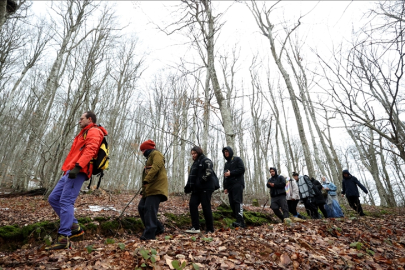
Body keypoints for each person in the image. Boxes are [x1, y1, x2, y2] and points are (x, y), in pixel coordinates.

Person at [47, 111, 107, 250]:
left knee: (66, 201)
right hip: (70, 170)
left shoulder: (94, 131)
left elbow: (91, 150)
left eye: (82, 118)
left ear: (89, 119)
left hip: (78, 170)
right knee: (54, 198)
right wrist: (69, 169)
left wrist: (78, 167)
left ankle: (64, 238)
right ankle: (73, 225)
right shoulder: (84, 132)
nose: (79, 121)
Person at [138, 140, 168, 240]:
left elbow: (156, 167)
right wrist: (144, 190)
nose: (142, 153)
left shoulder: (156, 154)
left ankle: (150, 234)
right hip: (150, 189)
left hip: (157, 188)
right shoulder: (150, 157)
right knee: (141, 207)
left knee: (149, 209)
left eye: (143, 150)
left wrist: (147, 179)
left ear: (147, 149)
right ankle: (158, 228)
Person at [184, 146, 215, 234]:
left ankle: (210, 228)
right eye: (192, 154)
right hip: (196, 189)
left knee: (206, 207)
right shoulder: (195, 163)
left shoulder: (205, 160)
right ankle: (195, 227)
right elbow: (191, 177)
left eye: (195, 153)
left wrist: (201, 180)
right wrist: (188, 187)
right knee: (192, 204)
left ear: (199, 153)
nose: (193, 155)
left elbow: (209, 172)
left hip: (206, 187)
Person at [222, 146, 246, 228]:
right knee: (232, 203)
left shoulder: (237, 159)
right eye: (224, 152)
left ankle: (241, 222)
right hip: (230, 186)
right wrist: (225, 187)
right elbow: (225, 176)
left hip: (238, 183)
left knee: (237, 202)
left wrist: (231, 173)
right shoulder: (226, 164)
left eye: (227, 151)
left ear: (230, 151)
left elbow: (242, 169)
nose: (226, 153)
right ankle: (238, 220)